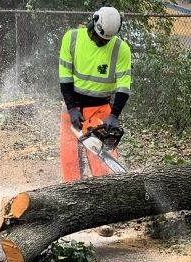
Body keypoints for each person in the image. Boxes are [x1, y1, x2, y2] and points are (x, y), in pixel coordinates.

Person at [59, 6, 131, 182]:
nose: (101, 42)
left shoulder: (121, 49)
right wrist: (72, 108)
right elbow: (65, 77)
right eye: (99, 38)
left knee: (103, 160)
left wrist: (114, 115)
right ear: (93, 22)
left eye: (105, 40)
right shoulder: (72, 38)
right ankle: (72, 190)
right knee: (70, 157)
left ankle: (105, 192)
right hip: (73, 107)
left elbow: (123, 86)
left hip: (100, 109)